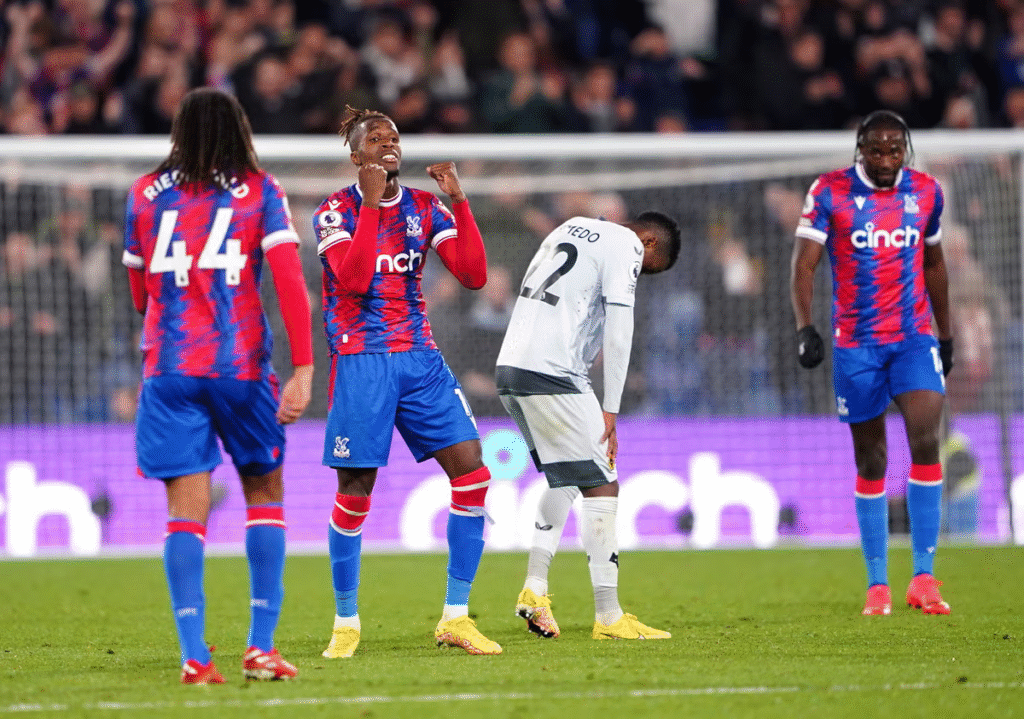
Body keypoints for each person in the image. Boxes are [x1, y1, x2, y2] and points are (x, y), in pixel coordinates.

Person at [122, 87, 314, 684]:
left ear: (178, 130)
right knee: (265, 492)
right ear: (240, 129)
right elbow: (289, 283)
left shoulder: (143, 194)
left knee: (185, 512)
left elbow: (139, 295)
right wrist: (304, 368)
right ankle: (260, 649)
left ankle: (194, 656)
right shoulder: (260, 191)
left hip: (170, 368)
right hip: (240, 368)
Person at [313, 105, 500, 658]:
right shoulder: (334, 211)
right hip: (362, 360)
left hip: (420, 358)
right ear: (357, 156)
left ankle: (456, 617)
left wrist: (460, 201)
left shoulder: (424, 206)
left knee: (473, 474)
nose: (389, 144)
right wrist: (371, 207)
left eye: (393, 136)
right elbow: (352, 281)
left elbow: (473, 275)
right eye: (375, 138)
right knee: (355, 492)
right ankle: (346, 622)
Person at [790, 109, 954, 617]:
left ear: (906, 151)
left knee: (926, 438)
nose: (885, 159)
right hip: (856, 345)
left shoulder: (926, 192)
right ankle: (878, 583)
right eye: (876, 150)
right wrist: (805, 328)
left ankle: (923, 577)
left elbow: (934, 263)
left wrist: (947, 333)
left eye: (894, 150)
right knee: (872, 460)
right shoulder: (830, 191)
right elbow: (804, 264)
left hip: (912, 338)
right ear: (860, 149)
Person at [496, 209, 681, 640]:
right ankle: (609, 616)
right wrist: (610, 409)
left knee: (567, 478)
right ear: (649, 243)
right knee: (603, 484)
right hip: (554, 372)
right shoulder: (627, 244)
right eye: (647, 269)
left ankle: (534, 589)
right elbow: (620, 330)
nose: (639, 275)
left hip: (512, 368)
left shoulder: (570, 226)